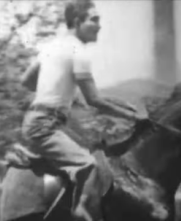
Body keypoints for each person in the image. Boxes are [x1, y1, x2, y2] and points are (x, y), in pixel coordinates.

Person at [20, 0, 148, 220]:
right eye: (94, 20)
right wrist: (133, 117)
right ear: (78, 22)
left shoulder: (52, 45)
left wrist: (56, 93)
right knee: (88, 165)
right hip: (45, 126)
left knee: (93, 148)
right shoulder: (78, 51)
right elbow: (95, 100)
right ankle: (81, 210)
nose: (99, 25)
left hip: (42, 120)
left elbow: (26, 80)